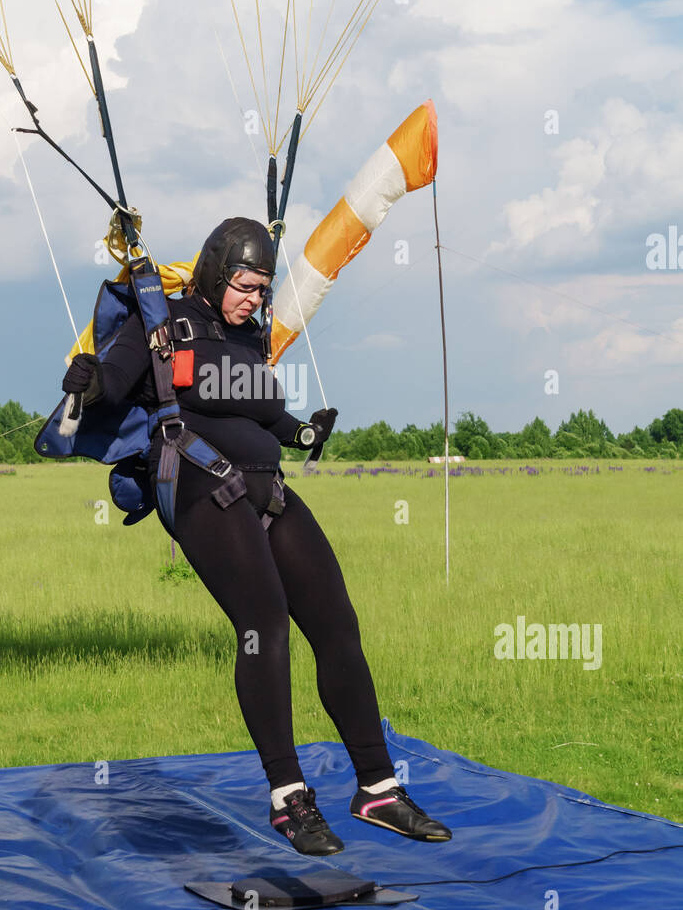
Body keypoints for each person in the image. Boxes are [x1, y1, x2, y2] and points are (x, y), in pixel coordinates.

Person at [63, 217, 452, 856]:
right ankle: (289, 799)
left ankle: (378, 791)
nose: (254, 298)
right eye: (245, 284)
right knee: (263, 620)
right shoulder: (164, 323)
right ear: (217, 275)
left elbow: (266, 415)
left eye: (263, 287)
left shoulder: (247, 335)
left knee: (336, 623)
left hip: (265, 485)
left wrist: (303, 433)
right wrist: (92, 380)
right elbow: (117, 374)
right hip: (196, 481)